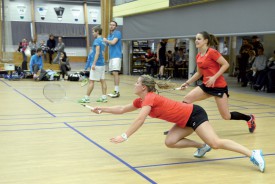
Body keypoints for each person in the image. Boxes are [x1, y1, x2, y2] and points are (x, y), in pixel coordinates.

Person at [91, 75, 265, 173]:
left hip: (194, 114)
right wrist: (102, 109)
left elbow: (140, 119)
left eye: (137, 83)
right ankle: (202, 146)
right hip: (183, 120)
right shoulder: (141, 100)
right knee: (170, 142)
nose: (135, 85)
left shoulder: (150, 98)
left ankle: (252, 154)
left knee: (216, 143)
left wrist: (124, 136)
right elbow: (122, 108)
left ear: (144, 87)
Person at [179, 31, 256, 133]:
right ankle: (182, 126)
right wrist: (187, 83)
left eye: (199, 39)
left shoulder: (212, 52)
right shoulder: (198, 56)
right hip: (206, 86)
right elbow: (199, 73)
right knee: (186, 100)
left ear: (206, 41)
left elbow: (226, 64)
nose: (196, 41)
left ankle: (249, 118)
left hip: (219, 87)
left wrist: (214, 77)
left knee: (226, 116)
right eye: (196, 39)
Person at [78, 26, 107, 103]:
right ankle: (104, 98)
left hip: (97, 64)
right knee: (103, 81)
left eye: (93, 32)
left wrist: (93, 64)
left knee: (91, 81)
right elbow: (103, 53)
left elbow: (97, 53)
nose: (92, 33)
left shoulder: (97, 41)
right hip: (102, 64)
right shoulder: (103, 41)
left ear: (97, 32)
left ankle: (86, 98)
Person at [103, 21, 122, 98]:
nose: (111, 26)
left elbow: (113, 42)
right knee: (113, 73)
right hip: (111, 57)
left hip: (116, 56)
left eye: (113, 25)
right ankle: (116, 91)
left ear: (116, 27)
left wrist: (105, 40)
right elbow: (106, 44)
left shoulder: (117, 33)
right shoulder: (109, 35)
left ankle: (117, 91)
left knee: (115, 73)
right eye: (110, 24)